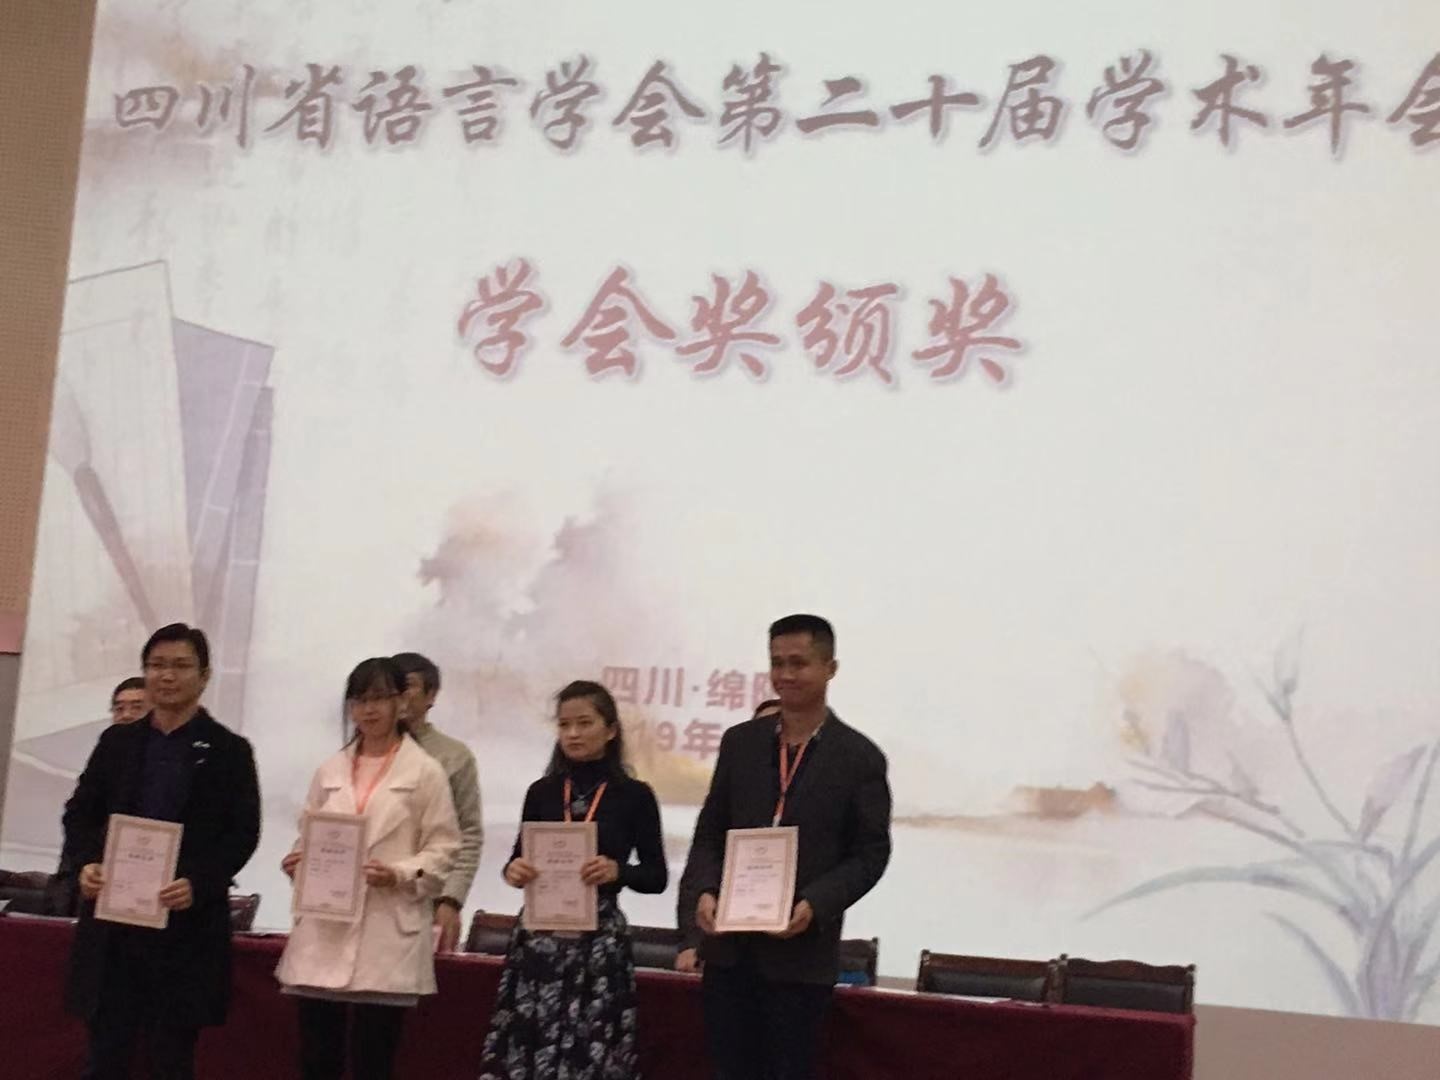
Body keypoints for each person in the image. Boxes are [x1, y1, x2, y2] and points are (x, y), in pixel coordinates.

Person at [679, 615, 891, 1080]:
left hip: (799, 960)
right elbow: (710, 830)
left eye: (799, 663)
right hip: (728, 953)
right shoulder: (740, 743)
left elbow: (871, 854)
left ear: (830, 668)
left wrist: (815, 904)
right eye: (777, 663)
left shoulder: (859, 757)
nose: (786, 674)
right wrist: (705, 891)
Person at [62, 622, 262, 1080]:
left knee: (170, 1060)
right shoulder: (117, 742)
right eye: (156, 665)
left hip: (183, 930)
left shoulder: (229, 751)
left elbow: (242, 834)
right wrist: (87, 863)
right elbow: (80, 813)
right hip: (113, 929)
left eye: (180, 666)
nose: (166, 676)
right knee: (104, 1058)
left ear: (204, 676)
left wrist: (199, 882)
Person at [276, 656, 461, 1080]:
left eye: (379, 698)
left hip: (385, 932)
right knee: (316, 1058)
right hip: (324, 931)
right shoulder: (330, 769)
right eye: (359, 701)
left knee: (372, 1061)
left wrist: (399, 872)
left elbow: (444, 847)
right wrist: (298, 861)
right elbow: (310, 832)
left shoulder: (426, 772)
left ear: (401, 702)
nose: (368, 710)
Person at [479, 680, 668, 1080]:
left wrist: (619, 871)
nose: (573, 734)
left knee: (590, 1051)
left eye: (584, 723)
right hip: (539, 938)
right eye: (564, 725)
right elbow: (517, 859)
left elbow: (657, 876)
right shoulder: (542, 791)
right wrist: (514, 872)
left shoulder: (634, 795)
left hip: (598, 941)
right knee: (529, 1050)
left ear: (610, 730)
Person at [391, 651, 483, 952]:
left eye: (408, 686)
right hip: (372, 895)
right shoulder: (363, 752)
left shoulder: (454, 756)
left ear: (431, 696)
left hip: (426, 898)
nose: (399, 695)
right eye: (391, 687)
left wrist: (451, 899)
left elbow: (468, 834)